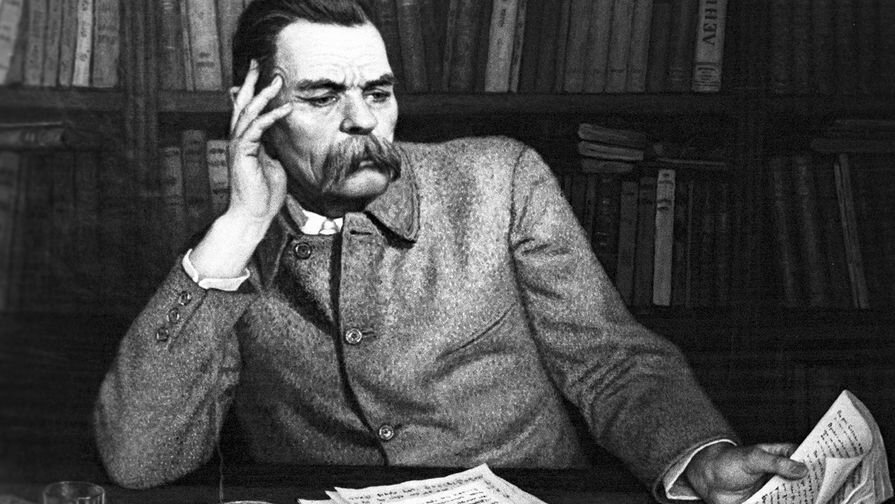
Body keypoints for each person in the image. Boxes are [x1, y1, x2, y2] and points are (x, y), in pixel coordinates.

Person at [93, 0, 807, 502]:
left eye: (378, 92)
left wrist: (699, 456)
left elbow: (608, 359)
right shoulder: (225, 251)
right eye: (322, 96)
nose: (363, 120)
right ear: (252, 108)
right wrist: (242, 227)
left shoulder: (499, 178)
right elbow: (138, 461)